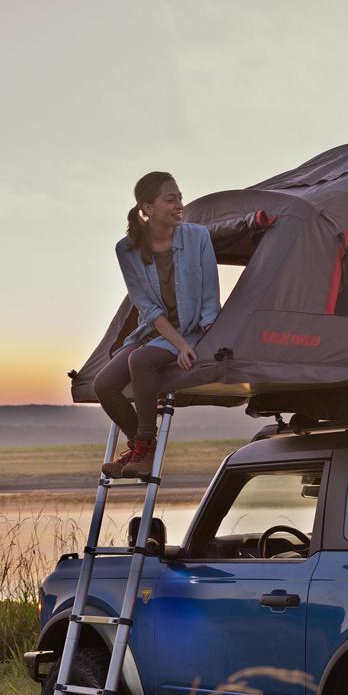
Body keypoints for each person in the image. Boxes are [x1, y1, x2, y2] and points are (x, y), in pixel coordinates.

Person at [92, 172, 220, 479]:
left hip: (192, 329)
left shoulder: (197, 236)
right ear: (147, 208)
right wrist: (177, 344)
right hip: (154, 329)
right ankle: (141, 446)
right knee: (104, 385)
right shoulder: (127, 249)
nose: (179, 204)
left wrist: (204, 340)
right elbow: (146, 307)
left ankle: (143, 448)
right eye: (170, 198)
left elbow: (210, 297)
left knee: (141, 360)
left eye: (180, 197)